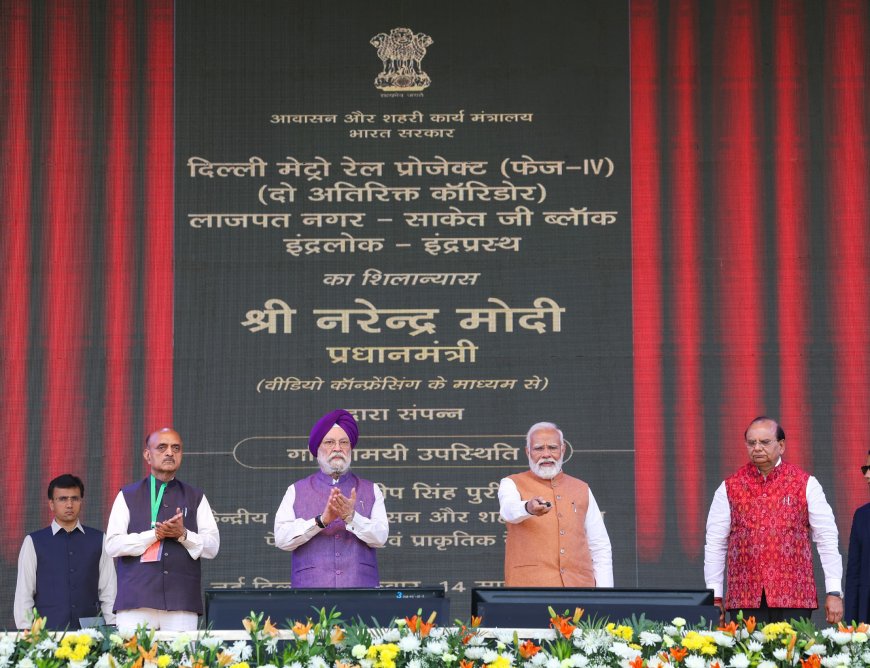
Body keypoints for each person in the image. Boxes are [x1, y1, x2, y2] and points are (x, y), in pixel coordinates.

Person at [704, 416, 843, 623]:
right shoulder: (729, 487)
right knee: (747, 656)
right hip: (745, 599)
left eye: (764, 442)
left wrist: (834, 591)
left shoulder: (805, 484)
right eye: (752, 443)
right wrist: (714, 597)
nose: (757, 448)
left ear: (781, 445)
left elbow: (826, 538)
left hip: (794, 597)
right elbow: (715, 544)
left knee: (794, 655)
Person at [105, 428, 220, 631]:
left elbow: (212, 547)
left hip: (181, 601)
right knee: (134, 662)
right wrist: (154, 535)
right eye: (162, 447)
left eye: (176, 448)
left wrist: (183, 535)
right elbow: (112, 545)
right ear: (147, 455)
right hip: (136, 600)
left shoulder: (195, 496)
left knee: (181, 661)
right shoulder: (128, 495)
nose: (170, 453)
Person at [274, 409, 389, 587]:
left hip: (360, 591)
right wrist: (321, 521)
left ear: (350, 448)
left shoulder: (371, 489)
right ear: (317, 448)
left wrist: (352, 518)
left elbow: (380, 537)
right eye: (329, 442)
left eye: (343, 442)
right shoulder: (295, 490)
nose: (337, 448)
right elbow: (281, 539)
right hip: (310, 593)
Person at [498, 421, 613, 587]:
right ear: (528, 451)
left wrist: (605, 596)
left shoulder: (582, 488)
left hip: (579, 589)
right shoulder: (511, 483)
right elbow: (508, 511)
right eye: (539, 448)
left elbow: (599, 546)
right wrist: (528, 508)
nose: (546, 454)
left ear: (563, 449)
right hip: (529, 589)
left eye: (552, 448)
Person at [14, 474, 116, 630]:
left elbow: (109, 590)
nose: (69, 505)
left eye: (74, 499)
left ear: (81, 502)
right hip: (46, 634)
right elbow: (24, 592)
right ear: (51, 504)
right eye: (62, 499)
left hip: (91, 635)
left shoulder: (99, 539)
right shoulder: (34, 541)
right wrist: (26, 632)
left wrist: (112, 627)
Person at [845, 451, 870, 623]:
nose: (867, 475)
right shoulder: (862, 516)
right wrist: (851, 625)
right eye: (865, 469)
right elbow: (854, 575)